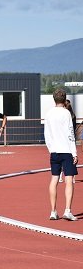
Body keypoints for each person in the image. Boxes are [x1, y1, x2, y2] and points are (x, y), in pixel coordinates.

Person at [44, 89, 77, 221]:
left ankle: (53, 211)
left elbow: (46, 134)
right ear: (64, 99)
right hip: (67, 151)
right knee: (69, 180)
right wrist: (74, 152)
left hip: (54, 151)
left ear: (54, 99)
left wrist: (50, 148)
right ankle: (67, 210)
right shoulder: (66, 113)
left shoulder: (49, 113)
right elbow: (70, 133)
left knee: (54, 179)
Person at [60, 99, 78, 183]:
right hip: (71, 138)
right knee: (72, 158)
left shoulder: (65, 115)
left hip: (64, 139)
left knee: (61, 157)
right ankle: (73, 177)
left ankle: (60, 176)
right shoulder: (73, 115)